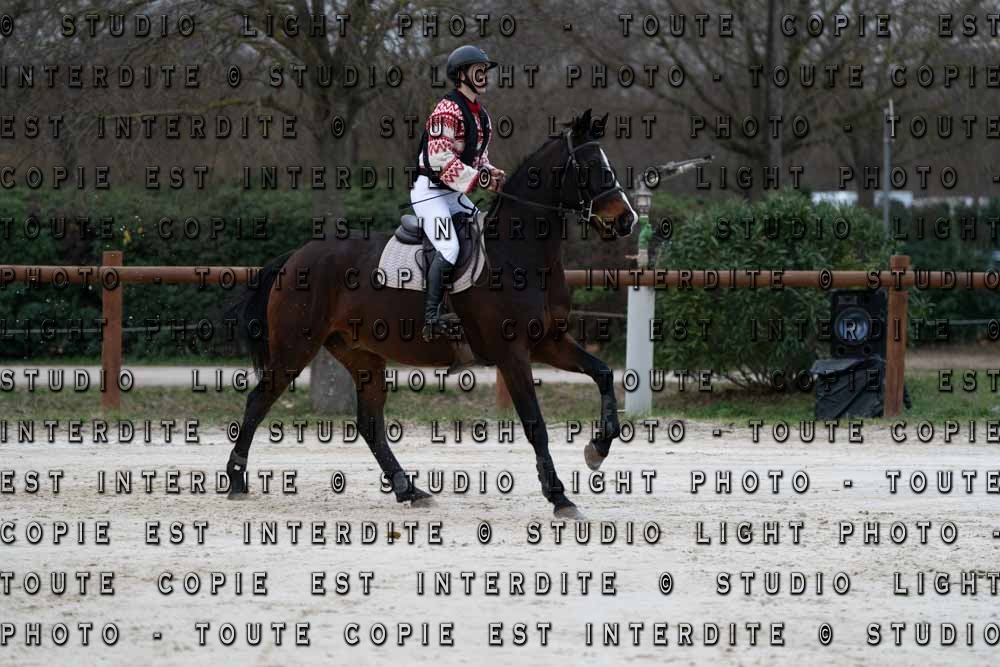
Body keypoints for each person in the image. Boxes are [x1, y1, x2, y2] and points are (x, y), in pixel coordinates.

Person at [412, 45, 506, 341]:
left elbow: (479, 159)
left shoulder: (482, 116)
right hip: (430, 193)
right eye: (479, 70)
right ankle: (432, 317)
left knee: (487, 233)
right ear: (462, 74)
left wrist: (492, 172)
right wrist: (480, 179)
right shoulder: (446, 110)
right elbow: (439, 159)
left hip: (454, 195)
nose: (484, 75)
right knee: (449, 248)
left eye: (485, 71)